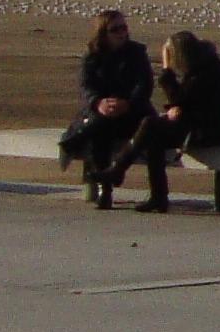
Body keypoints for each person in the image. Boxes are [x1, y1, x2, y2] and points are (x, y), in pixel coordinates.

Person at [126, 29, 220, 212]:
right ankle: (157, 197)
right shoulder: (203, 65)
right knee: (153, 136)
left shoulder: (205, 72)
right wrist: (177, 109)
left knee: (150, 125)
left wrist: (166, 70)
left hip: (209, 132)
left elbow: (178, 97)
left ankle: (121, 169)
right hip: (197, 125)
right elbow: (187, 101)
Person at [57, 11, 153, 208]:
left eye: (123, 27)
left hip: (132, 113)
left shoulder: (137, 53)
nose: (121, 33)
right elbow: (86, 87)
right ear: (103, 33)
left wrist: (127, 104)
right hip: (102, 113)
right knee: (100, 128)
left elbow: (144, 85)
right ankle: (105, 188)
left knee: (105, 126)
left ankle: (74, 143)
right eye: (115, 29)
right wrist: (99, 103)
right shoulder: (92, 57)